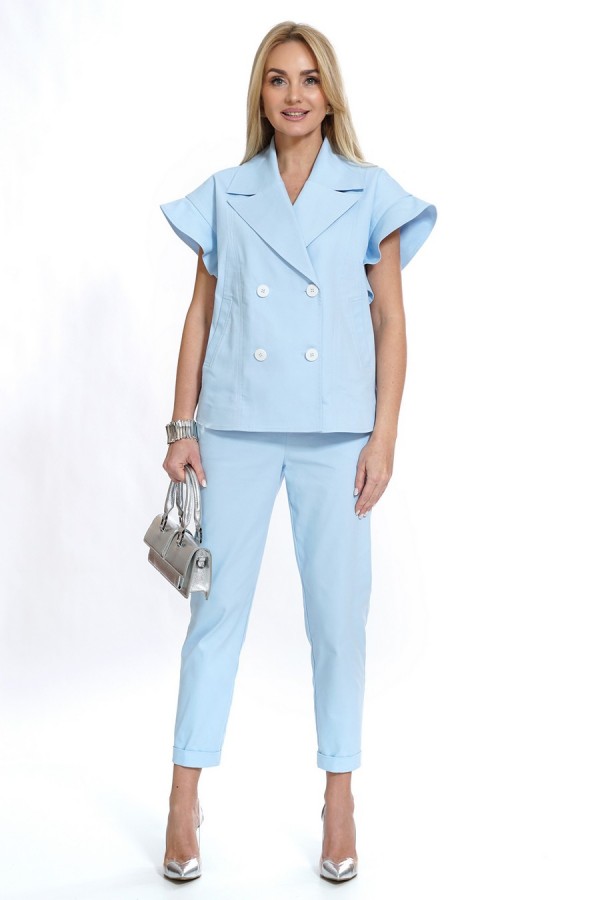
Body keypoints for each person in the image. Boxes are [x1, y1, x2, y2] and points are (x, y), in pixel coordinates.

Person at [158, 20, 437, 883]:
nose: (294, 94)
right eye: (278, 79)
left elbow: (391, 322)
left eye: (309, 79)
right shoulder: (227, 193)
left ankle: (339, 797)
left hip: (336, 432)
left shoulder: (369, 192)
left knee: (338, 624)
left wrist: (384, 435)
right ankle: (182, 797)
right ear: (261, 93)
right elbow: (201, 313)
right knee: (214, 616)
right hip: (236, 426)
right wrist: (181, 427)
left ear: (330, 94)